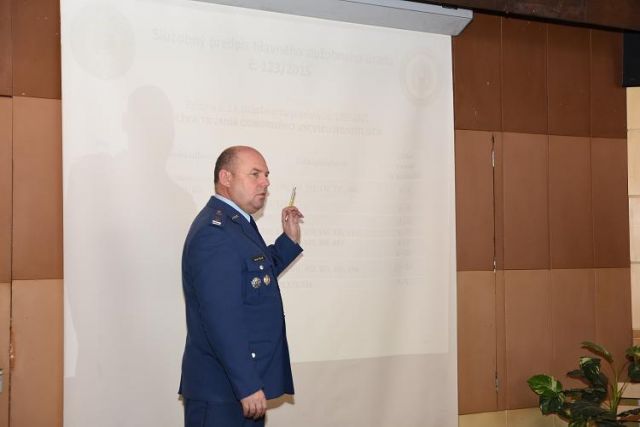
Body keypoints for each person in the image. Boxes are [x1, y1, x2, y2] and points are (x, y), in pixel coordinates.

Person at [179, 146, 304, 427]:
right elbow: (221, 318)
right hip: (223, 393)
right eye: (255, 174)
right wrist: (247, 384)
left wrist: (289, 241)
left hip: (237, 388)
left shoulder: (236, 225)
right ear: (226, 177)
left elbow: (256, 277)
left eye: (266, 175)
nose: (265, 182)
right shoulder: (214, 232)